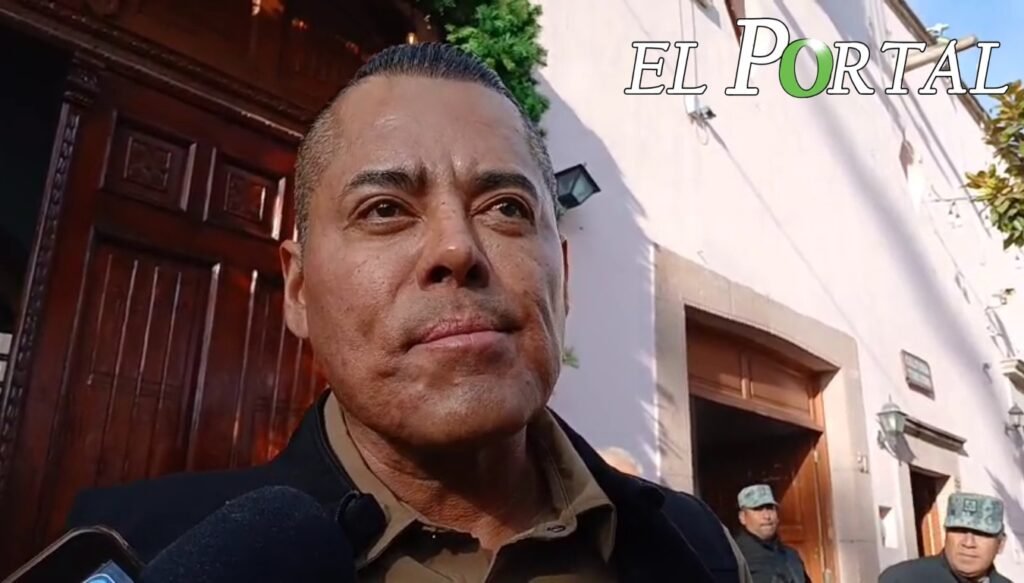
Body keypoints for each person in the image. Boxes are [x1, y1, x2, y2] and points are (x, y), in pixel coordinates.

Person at [65, 43, 751, 582]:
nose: (457, 248)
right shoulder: (137, 553)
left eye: (506, 207)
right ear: (298, 289)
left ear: (563, 276)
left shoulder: (698, 548)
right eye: (384, 209)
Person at [879, 492, 1011, 583]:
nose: (968, 543)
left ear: (1000, 544)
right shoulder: (901, 579)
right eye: (959, 530)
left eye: (981, 533)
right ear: (946, 534)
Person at [733, 484, 810, 583]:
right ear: (742, 517)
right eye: (758, 509)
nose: (767, 516)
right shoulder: (734, 558)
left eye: (770, 508)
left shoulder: (791, 556)